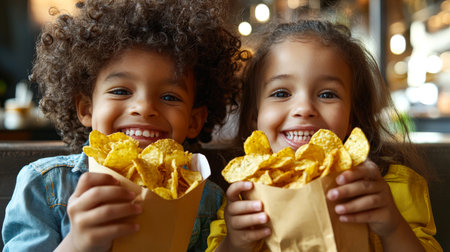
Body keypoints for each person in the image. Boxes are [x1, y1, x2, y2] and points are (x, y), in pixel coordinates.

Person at [2, 0, 246, 251]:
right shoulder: (45, 187)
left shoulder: (208, 199)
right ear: (87, 109)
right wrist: (77, 244)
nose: (144, 107)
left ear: (194, 120)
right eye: (121, 90)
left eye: (169, 97)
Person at [207, 19, 442, 252]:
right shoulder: (244, 195)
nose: (304, 108)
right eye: (281, 92)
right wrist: (233, 245)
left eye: (328, 94)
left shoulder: (393, 186)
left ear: (352, 117)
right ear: (254, 116)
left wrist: (392, 227)